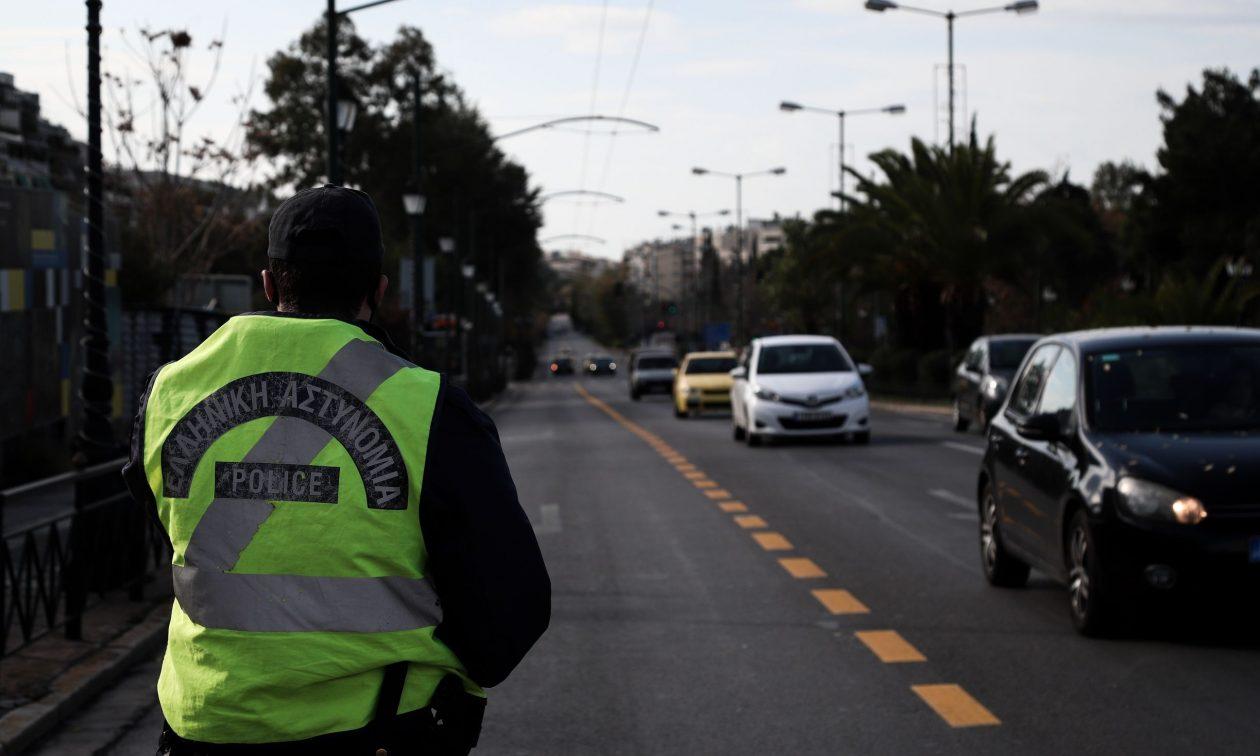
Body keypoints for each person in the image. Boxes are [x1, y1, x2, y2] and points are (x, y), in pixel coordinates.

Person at [122, 185, 550, 755]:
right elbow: (512, 603)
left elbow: (167, 528)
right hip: (382, 728)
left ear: (270, 283)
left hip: (207, 729)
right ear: (378, 288)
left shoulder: (170, 389)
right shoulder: (429, 407)